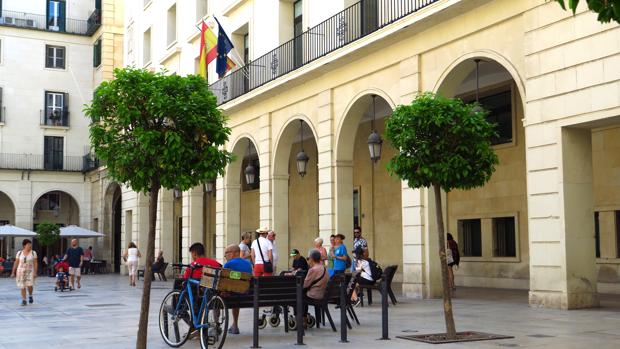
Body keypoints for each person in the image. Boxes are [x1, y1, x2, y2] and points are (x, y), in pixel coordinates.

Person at [223, 244, 253, 335]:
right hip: (247, 296)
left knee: (215, 296)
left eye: (226, 253)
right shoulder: (248, 264)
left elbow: (223, 281)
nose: (225, 256)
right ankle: (235, 325)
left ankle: (216, 326)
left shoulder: (229, 264)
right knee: (237, 292)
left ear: (234, 253)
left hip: (231, 297)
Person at [299, 249, 329, 322]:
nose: (308, 260)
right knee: (302, 295)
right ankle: (304, 318)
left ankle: (302, 320)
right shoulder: (324, 268)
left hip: (314, 296)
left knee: (299, 297)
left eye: (308, 258)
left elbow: (304, 285)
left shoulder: (313, 270)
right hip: (322, 295)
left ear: (312, 259)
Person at [11, 239, 38, 306]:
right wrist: (13, 272)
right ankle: (24, 300)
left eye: (30, 244)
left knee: (29, 285)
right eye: (28, 244)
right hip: (20, 271)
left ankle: (30, 295)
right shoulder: (19, 253)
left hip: (30, 271)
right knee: (22, 286)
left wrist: (35, 272)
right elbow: (16, 262)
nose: (30, 246)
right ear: (24, 245)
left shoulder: (33, 253)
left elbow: (35, 263)